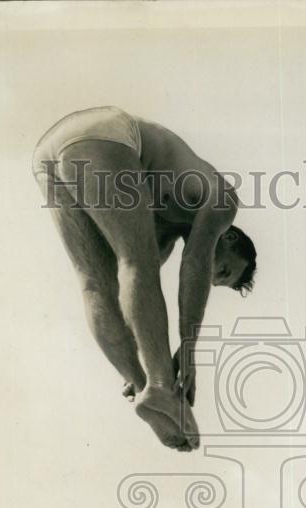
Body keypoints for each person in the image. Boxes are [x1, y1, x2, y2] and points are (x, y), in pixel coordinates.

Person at [33, 106, 257, 451]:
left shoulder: (162, 242)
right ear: (227, 237)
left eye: (219, 281)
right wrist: (189, 346)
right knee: (136, 263)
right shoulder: (222, 201)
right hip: (107, 132)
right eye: (225, 270)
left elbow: (127, 303)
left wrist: (141, 352)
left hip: (47, 157)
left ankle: (142, 387)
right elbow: (194, 263)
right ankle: (161, 389)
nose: (213, 276)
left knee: (97, 283)